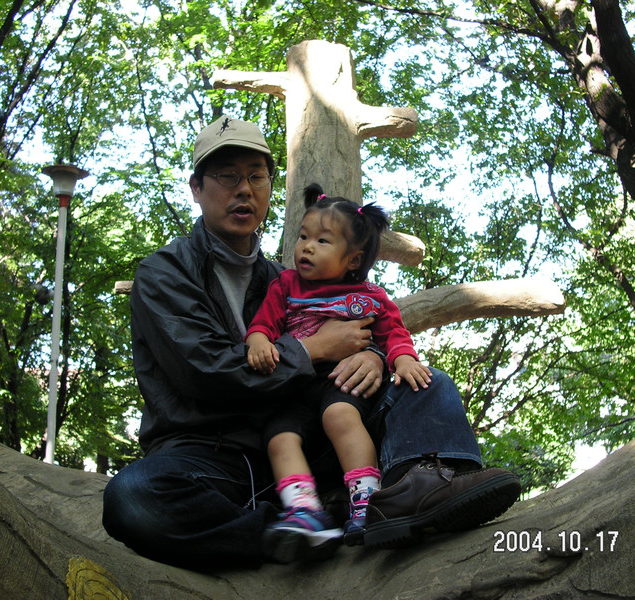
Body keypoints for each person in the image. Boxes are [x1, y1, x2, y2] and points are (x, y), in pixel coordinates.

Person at [101, 115, 521, 570]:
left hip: (307, 440)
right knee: (134, 496)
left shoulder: (285, 280)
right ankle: (294, 528)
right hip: (209, 457)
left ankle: (421, 486)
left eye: (256, 177)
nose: (244, 190)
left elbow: (365, 324)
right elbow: (205, 374)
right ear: (196, 188)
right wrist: (313, 349)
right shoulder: (164, 273)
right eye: (227, 176)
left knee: (423, 380)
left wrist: (373, 355)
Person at [246, 183, 433, 550]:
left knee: (339, 416)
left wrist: (403, 359)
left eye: (322, 240)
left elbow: (393, 332)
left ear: (353, 260)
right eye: (303, 236)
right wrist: (257, 341)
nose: (307, 246)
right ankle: (303, 510)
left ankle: (367, 499)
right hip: (294, 385)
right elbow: (264, 323)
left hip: (340, 381)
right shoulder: (285, 285)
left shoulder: (369, 296)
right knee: (279, 437)